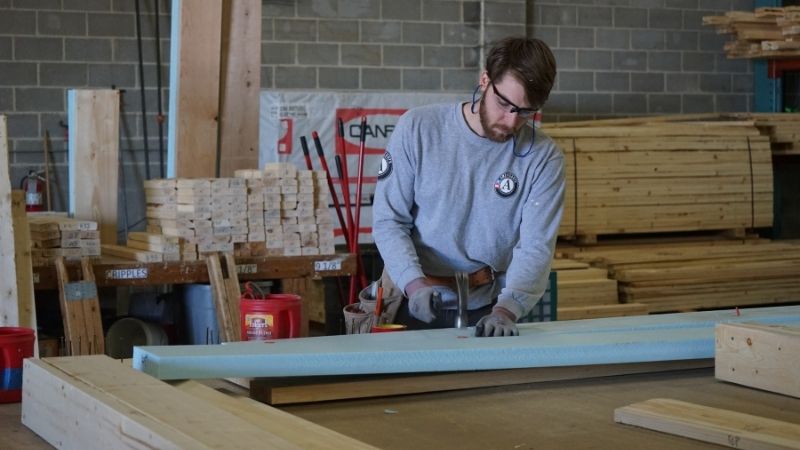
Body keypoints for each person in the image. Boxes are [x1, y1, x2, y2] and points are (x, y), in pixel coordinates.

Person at [371, 36, 565, 337]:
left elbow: (536, 247)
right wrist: (413, 283)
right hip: (410, 300)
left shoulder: (543, 157)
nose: (511, 121)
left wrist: (506, 310)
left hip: (489, 308)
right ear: (485, 80)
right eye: (504, 104)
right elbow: (389, 221)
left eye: (526, 112)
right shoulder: (419, 129)